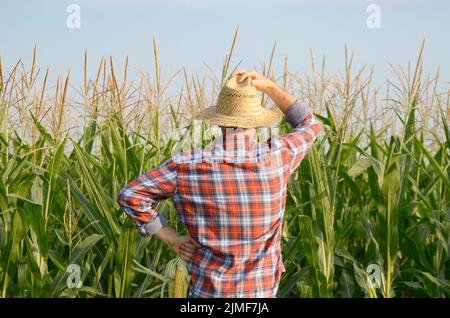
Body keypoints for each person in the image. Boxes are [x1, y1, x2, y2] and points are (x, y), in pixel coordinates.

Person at [117, 69, 323, 297]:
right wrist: (270, 88)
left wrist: (171, 239)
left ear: (220, 122)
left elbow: (130, 195)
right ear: (255, 121)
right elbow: (309, 124)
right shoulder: (277, 157)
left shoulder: (185, 166)